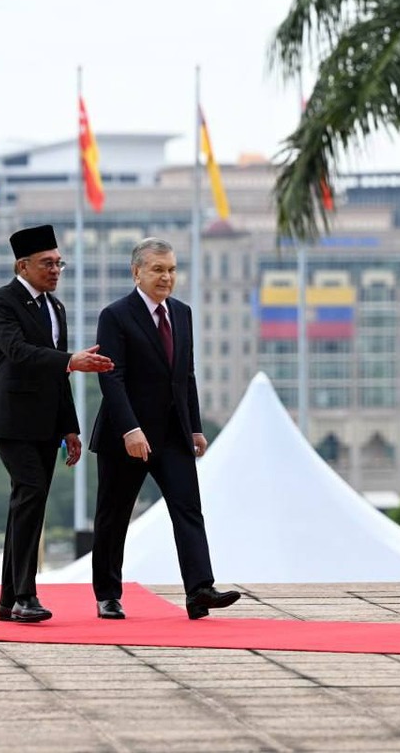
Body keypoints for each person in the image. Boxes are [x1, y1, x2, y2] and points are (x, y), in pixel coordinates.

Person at [89, 237, 240, 620]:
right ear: (136, 271)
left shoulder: (183, 313)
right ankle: (108, 594)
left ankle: (199, 590)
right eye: (158, 269)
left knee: (188, 508)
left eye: (171, 269)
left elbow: (185, 375)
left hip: (173, 433)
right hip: (126, 436)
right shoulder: (115, 315)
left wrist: (195, 427)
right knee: (114, 515)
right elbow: (112, 377)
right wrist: (129, 430)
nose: (166, 277)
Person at [0, 224, 113, 623]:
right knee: (31, 494)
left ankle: (8, 601)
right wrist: (72, 359)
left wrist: (69, 427)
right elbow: (18, 352)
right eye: (47, 263)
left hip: (46, 422)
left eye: (59, 263)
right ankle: (25, 595)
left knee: (27, 505)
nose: (55, 270)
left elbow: (59, 376)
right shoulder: (0, 302)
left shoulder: (56, 308)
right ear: (23, 265)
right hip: (11, 418)